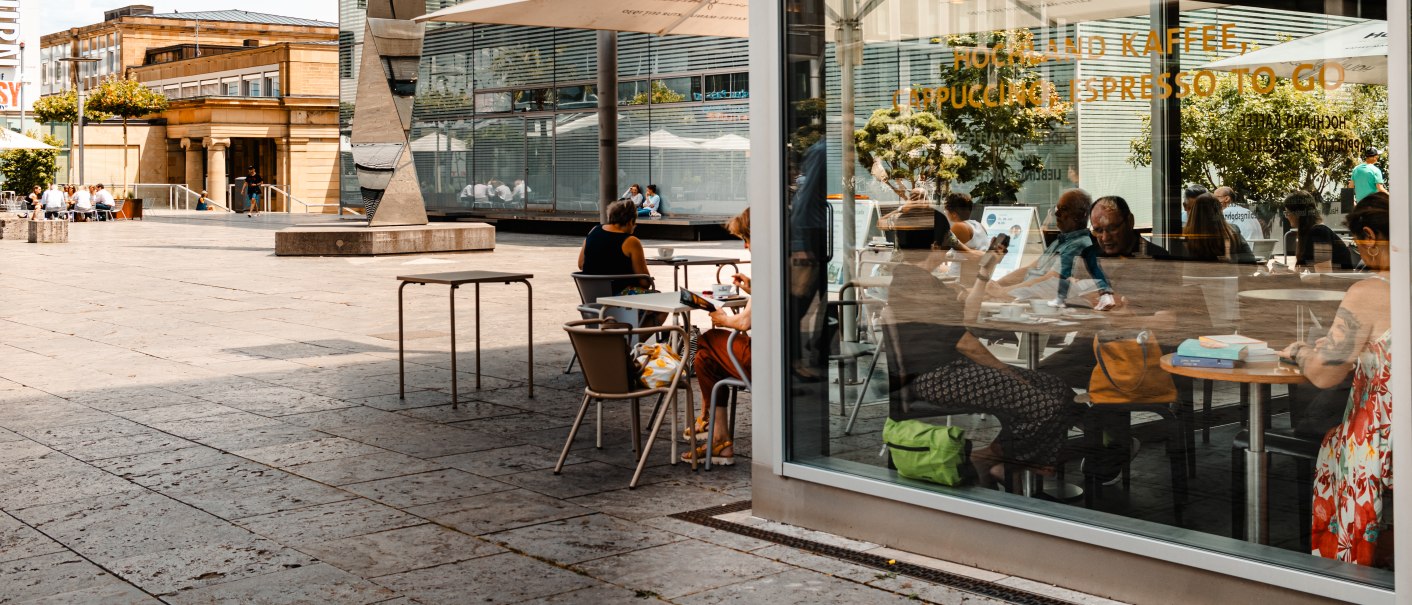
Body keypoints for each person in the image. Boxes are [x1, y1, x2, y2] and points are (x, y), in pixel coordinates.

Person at [889, 206, 1081, 484]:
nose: (950, 249)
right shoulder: (916, 283)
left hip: (950, 371)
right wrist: (1007, 371)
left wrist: (984, 274)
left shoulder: (917, 279)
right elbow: (966, 343)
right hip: (937, 376)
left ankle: (999, 459)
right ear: (934, 245)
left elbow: (967, 319)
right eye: (948, 242)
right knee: (1044, 405)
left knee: (1058, 389)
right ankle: (999, 461)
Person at [1279, 196, 1391, 567]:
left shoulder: (1372, 291)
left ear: (1372, 237)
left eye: (1360, 242)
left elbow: (1326, 374)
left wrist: (1300, 352)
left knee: (1320, 431)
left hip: (1383, 442)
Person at [684, 208, 751, 466]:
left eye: (747, 238)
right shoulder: (782, 261)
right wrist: (752, 287)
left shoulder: (772, 262)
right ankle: (720, 440)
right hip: (779, 353)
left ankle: (705, 416)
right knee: (703, 359)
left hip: (769, 360)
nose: (746, 245)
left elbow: (744, 322)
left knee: (708, 338)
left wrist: (723, 319)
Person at [577, 199, 653, 296]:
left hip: (592, 297)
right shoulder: (631, 241)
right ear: (630, 221)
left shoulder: (594, 230)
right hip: (619, 301)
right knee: (660, 303)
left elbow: (581, 264)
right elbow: (645, 282)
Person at [1282, 190, 1356, 271]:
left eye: (1287, 212)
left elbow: (1323, 276)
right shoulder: (1313, 232)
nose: (1286, 216)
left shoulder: (1319, 232)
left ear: (1297, 214)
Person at [1178, 193, 1255, 263]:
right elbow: (1251, 262)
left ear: (1194, 212)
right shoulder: (1233, 231)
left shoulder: (1182, 234)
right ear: (1219, 211)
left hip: (1190, 278)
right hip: (1226, 277)